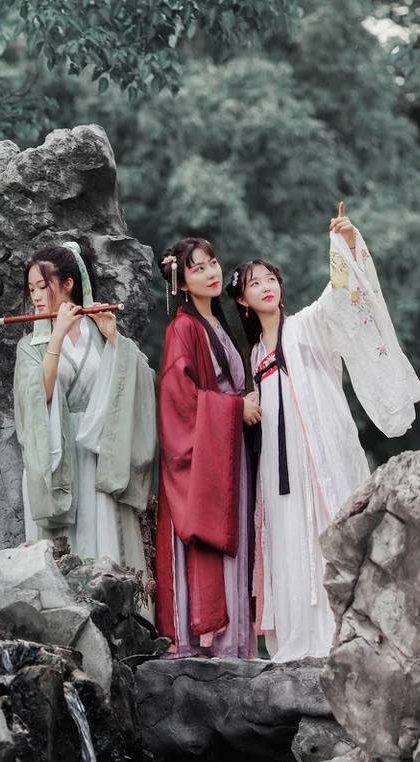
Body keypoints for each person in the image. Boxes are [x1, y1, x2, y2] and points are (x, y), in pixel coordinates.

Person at [226, 202, 420, 661]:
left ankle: (340, 631)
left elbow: (341, 294)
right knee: (286, 536)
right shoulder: (253, 356)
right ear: (242, 300)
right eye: (255, 283)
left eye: (270, 279)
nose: (266, 287)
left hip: (320, 452)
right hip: (278, 466)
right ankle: (299, 636)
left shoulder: (307, 325)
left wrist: (346, 244)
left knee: (328, 526)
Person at [12, 242, 156, 573]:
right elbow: (39, 396)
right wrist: (57, 335)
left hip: (99, 450)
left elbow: (141, 379)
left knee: (108, 542)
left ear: (68, 284)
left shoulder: (100, 331)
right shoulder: (29, 346)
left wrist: (115, 338)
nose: (36, 297)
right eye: (31, 289)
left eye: (43, 286)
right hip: (57, 450)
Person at [155, 237, 259, 659]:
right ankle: (210, 645)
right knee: (213, 540)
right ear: (181, 282)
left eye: (212, 263)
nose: (211, 272)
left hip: (229, 447)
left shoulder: (216, 323)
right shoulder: (183, 328)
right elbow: (178, 399)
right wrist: (235, 408)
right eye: (197, 268)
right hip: (211, 449)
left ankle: (235, 644)